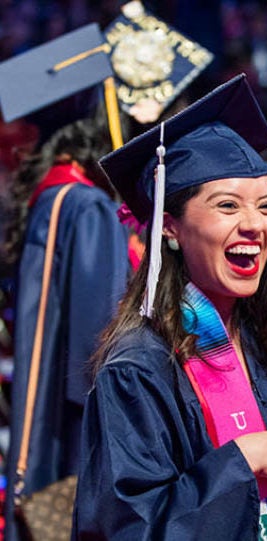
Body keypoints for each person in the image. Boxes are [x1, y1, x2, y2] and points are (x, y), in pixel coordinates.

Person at [72, 74, 267, 540]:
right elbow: (127, 529)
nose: (254, 224)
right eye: (228, 206)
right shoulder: (139, 370)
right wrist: (240, 463)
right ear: (170, 227)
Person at [1, 115, 130, 540]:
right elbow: (99, 332)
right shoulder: (88, 206)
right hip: (77, 412)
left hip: (43, 398)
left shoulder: (50, 196)